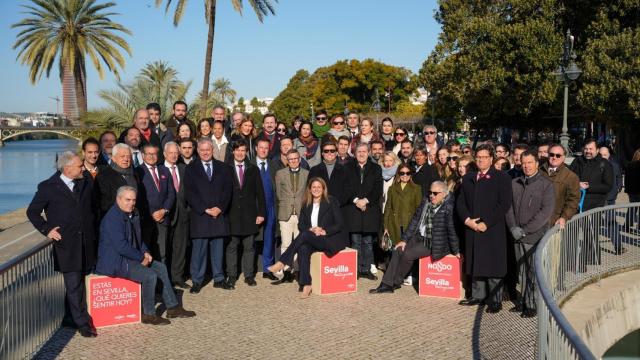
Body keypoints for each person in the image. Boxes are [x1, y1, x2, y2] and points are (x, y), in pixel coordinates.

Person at [95, 186, 195, 325]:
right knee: (149, 275)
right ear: (118, 199)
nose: (131, 203)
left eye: (133, 200)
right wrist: (141, 258)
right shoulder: (112, 218)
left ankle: (173, 307)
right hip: (116, 261)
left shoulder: (133, 213)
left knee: (160, 267)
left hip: (131, 257)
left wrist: (146, 252)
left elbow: (139, 238)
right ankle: (149, 314)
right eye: (127, 200)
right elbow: (121, 246)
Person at [27, 151, 97, 337]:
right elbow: (32, 212)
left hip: (86, 243)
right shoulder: (48, 187)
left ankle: (69, 318)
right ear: (67, 169)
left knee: (79, 283)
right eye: (79, 166)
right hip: (66, 245)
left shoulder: (85, 181)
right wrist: (47, 230)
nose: (83, 168)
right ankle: (83, 323)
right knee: (74, 285)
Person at [370, 181, 460, 294]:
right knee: (398, 249)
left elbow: (452, 230)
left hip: (434, 241)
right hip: (419, 236)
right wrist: (404, 240)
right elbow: (415, 221)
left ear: (444, 194)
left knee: (408, 254)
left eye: (435, 193)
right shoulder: (426, 201)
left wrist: (456, 250)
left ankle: (395, 282)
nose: (431, 195)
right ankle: (386, 284)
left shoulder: (449, 208)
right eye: (430, 192)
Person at [268, 178, 348, 298]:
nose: (316, 189)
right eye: (313, 187)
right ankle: (306, 284)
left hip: (329, 239)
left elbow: (339, 223)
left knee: (304, 235)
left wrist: (324, 231)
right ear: (310, 189)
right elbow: (301, 225)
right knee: (303, 248)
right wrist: (311, 229)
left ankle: (283, 261)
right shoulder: (306, 204)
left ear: (323, 189)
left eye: (319, 187)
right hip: (312, 238)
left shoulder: (331, 201)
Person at [457, 144, 512, 313]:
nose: (481, 160)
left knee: (493, 264)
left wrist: (486, 223)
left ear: (491, 158)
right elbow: (461, 203)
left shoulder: (501, 177)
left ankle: (495, 299)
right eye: (478, 157)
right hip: (472, 227)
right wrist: (468, 221)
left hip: (492, 228)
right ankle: (477, 295)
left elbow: (504, 204)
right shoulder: (468, 178)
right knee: (476, 263)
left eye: (485, 157)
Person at [506, 150, 555, 317]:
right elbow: (509, 208)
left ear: (536, 164)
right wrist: (513, 227)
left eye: (529, 162)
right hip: (516, 235)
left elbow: (545, 213)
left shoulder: (546, 185)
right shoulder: (515, 183)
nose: (526, 166)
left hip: (533, 236)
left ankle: (531, 304)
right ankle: (523, 302)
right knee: (521, 271)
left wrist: (525, 230)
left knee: (532, 271)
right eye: (523, 162)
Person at [184, 138, 233, 293]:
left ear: (212, 150)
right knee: (199, 251)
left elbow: (228, 190)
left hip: (218, 214)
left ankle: (219, 278)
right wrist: (205, 209)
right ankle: (197, 280)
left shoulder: (223, 168)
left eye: (208, 149)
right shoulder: (191, 169)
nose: (205, 152)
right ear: (198, 151)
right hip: (201, 216)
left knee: (218, 249)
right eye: (202, 150)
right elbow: (189, 193)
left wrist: (220, 208)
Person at [226, 140, 266, 289]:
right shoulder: (226, 168)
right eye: (238, 150)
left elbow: (260, 193)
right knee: (232, 247)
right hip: (232, 215)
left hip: (250, 215)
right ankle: (231, 275)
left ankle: (249, 275)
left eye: (243, 150)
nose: (240, 153)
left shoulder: (253, 169)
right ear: (233, 151)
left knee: (249, 247)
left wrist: (261, 213)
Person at [569, 139, 613, 262]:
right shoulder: (577, 161)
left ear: (597, 150)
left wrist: (589, 187)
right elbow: (569, 177)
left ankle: (593, 258)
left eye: (591, 149)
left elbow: (608, 186)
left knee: (591, 233)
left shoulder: (604, 164)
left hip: (594, 205)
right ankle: (572, 258)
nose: (588, 151)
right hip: (576, 204)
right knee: (573, 233)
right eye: (586, 149)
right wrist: (577, 184)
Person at [344, 143, 383, 280]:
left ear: (369, 153)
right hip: (353, 209)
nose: (361, 154)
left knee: (367, 241)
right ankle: (355, 270)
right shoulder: (347, 167)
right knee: (355, 241)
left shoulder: (376, 168)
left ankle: (366, 269)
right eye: (359, 151)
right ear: (355, 153)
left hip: (369, 209)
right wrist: (356, 201)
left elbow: (378, 189)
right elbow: (346, 188)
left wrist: (365, 200)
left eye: (364, 151)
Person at [273, 150, 309, 284]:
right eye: (290, 159)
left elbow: (307, 193)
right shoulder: (280, 174)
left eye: (295, 158)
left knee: (300, 244)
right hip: (285, 213)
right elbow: (278, 194)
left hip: (301, 214)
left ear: (299, 159)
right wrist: (287, 204)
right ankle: (287, 271)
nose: (293, 161)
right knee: (286, 244)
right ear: (287, 160)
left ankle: (299, 271)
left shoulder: (306, 174)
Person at [135, 144, 175, 264]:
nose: (152, 156)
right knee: (146, 253)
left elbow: (171, 194)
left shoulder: (164, 170)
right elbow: (139, 197)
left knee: (162, 253)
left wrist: (164, 210)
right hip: (146, 219)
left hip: (163, 219)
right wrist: (151, 213)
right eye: (149, 154)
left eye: (154, 154)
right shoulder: (138, 171)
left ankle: (162, 281)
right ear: (143, 155)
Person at [382, 163, 422, 275]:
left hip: (409, 224)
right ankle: (392, 272)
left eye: (408, 173)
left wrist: (417, 226)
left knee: (408, 250)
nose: (405, 175)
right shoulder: (392, 188)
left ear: (411, 174)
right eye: (402, 173)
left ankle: (408, 274)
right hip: (393, 223)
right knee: (394, 249)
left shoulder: (416, 188)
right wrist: (385, 226)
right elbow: (388, 208)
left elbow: (419, 209)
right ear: (398, 174)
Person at [163, 141, 190, 288]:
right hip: (166, 215)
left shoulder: (184, 168)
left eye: (176, 153)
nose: (173, 155)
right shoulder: (160, 169)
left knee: (180, 247)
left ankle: (177, 277)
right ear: (165, 154)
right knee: (165, 248)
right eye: (170, 153)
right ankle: (165, 278)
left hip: (183, 214)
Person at [253, 138, 280, 281]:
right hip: (254, 207)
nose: (263, 150)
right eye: (261, 147)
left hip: (270, 206)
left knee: (269, 238)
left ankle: (267, 269)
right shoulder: (249, 165)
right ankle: (249, 269)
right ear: (256, 148)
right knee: (252, 238)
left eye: (266, 148)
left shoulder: (273, 165)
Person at [540, 144, 580, 228]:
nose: (554, 157)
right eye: (551, 154)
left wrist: (564, 217)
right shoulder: (538, 171)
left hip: (554, 222)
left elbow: (573, 201)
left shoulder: (571, 177)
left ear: (563, 157)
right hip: (537, 220)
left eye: (558, 155)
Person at [95, 143, 138, 218]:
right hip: (114, 219)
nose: (126, 159)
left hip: (134, 218)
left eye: (128, 156)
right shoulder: (103, 176)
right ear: (114, 158)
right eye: (122, 156)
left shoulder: (135, 174)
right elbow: (102, 203)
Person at [625, 149, 640, 230]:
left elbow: (626, 179)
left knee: (631, 209)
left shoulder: (629, 165)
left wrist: (627, 189)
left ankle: (627, 225)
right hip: (638, 190)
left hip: (631, 191)